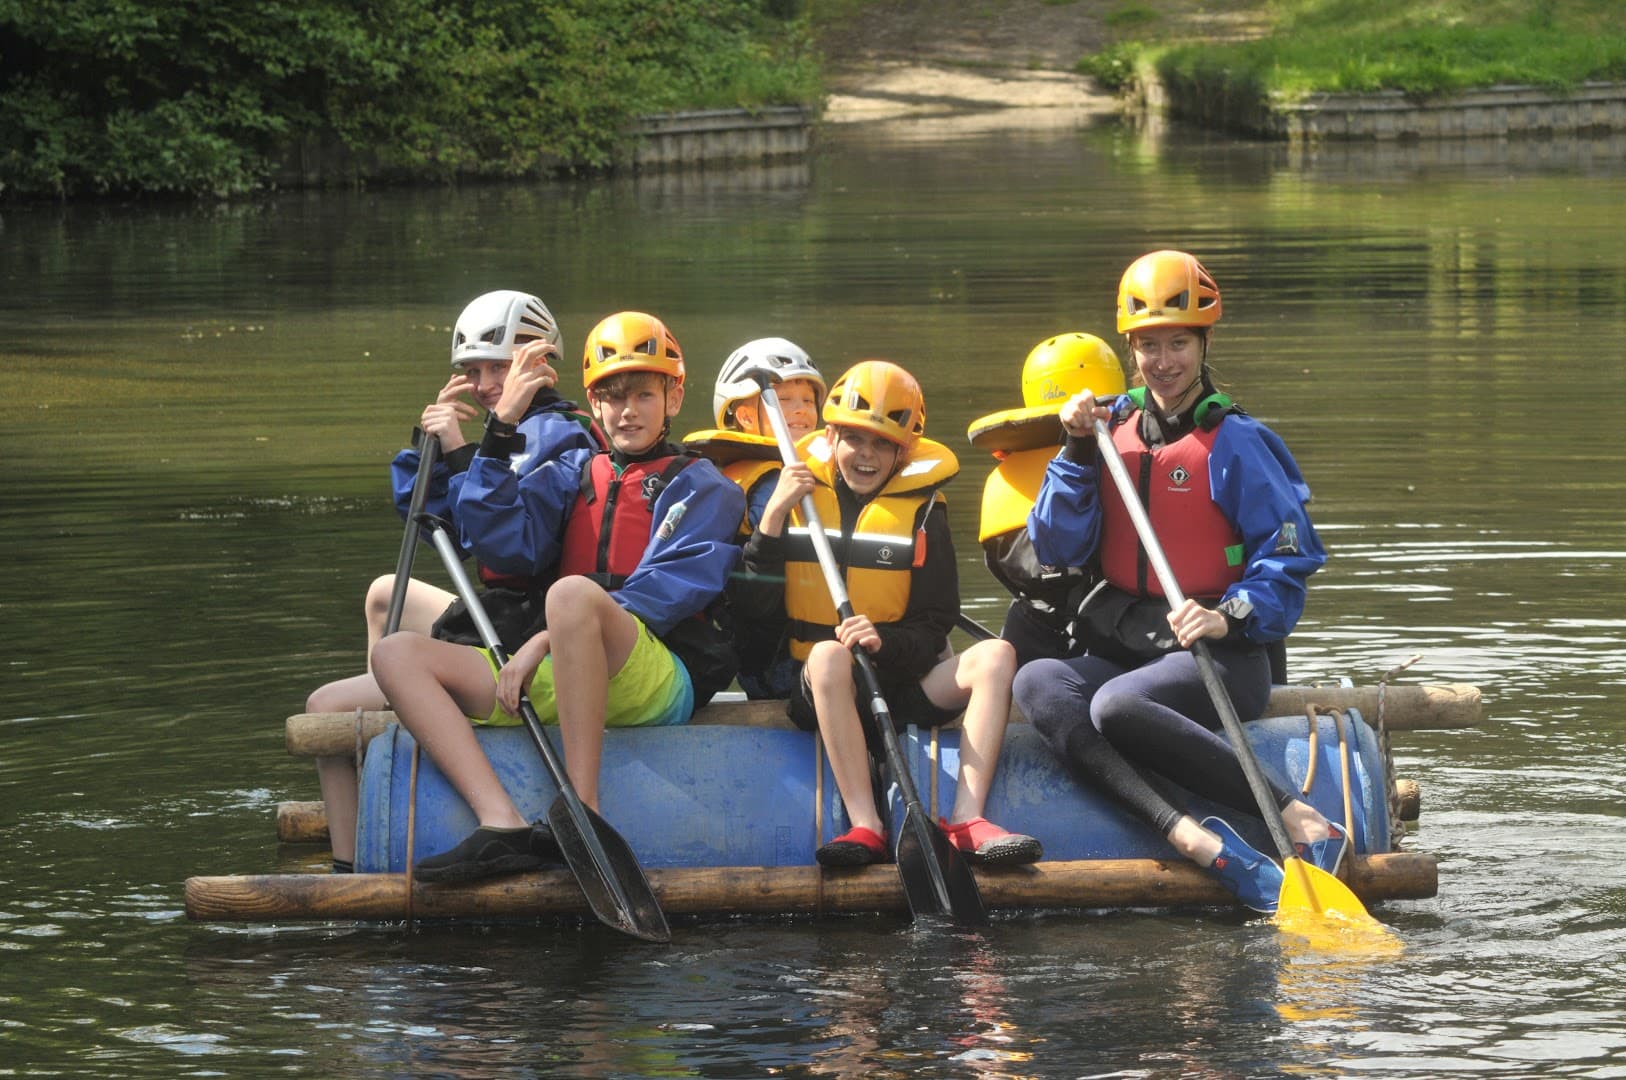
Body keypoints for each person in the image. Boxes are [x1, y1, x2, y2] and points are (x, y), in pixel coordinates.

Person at [1012, 250, 1338, 913]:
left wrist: (1229, 613)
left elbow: (1290, 554)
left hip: (1219, 654)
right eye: (1149, 345)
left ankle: (1297, 814)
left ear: (1204, 342)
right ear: (1130, 349)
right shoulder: (1105, 431)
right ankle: (1192, 837)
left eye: (1178, 343)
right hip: (1128, 644)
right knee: (1038, 681)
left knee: (1116, 707)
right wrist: (1075, 448)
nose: (1163, 361)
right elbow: (1055, 545)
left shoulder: (1236, 441)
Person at [368, 311, 745, 883]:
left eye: (644, 395)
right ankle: (502, 823)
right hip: (569, 675)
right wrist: (497, 433)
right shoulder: (573, 471)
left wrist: (543, 639)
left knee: (570, 594)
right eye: (612, 398)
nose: (627, 411)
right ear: (594, 404)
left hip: (656, 675)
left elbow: (665, 592)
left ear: (674, 397)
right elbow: (503, 545)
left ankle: (582, 810)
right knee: (396, 653)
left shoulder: (705, 486)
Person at [305, 290, 601, 874]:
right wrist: (429, 446)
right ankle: (356, 861)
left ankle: (478, 816)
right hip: (503, 609)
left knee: (340, 695)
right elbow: (433, 520)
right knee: (379, 602)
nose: (485, 384)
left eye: (498, 368)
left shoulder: (560, 437)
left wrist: (472, 449)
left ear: (538, 362)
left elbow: (512, 547)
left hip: (538, 628)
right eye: (473, 371)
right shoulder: (504, 430)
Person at [739, 359, 1042, 868]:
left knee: (996, 655)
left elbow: (935, 621)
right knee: (829, 655)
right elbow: (752, 609)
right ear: (830, 436)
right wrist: (770, 520)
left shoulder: (924, 512)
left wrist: (885, 640)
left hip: (900, 680)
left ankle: (967, 818)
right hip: (828, 689)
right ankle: (867, 824)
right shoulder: (794, 500)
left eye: (883, 444)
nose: (866, 454)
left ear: (904, 452)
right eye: (854, 438)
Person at [966, 332, 1126, 669]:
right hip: (1106, 636)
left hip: (1031, 635)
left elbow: (1006, 572)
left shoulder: (1003, 479)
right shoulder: (1127, 462)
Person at [683, 338, 827, 699]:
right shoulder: (751, 488)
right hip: (777, 667)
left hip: (816, 654)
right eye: (784, 399)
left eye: (808, 400)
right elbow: (754, 601)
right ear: (746, 417)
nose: (801, 410)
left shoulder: (821, 476)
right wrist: (776, 512)